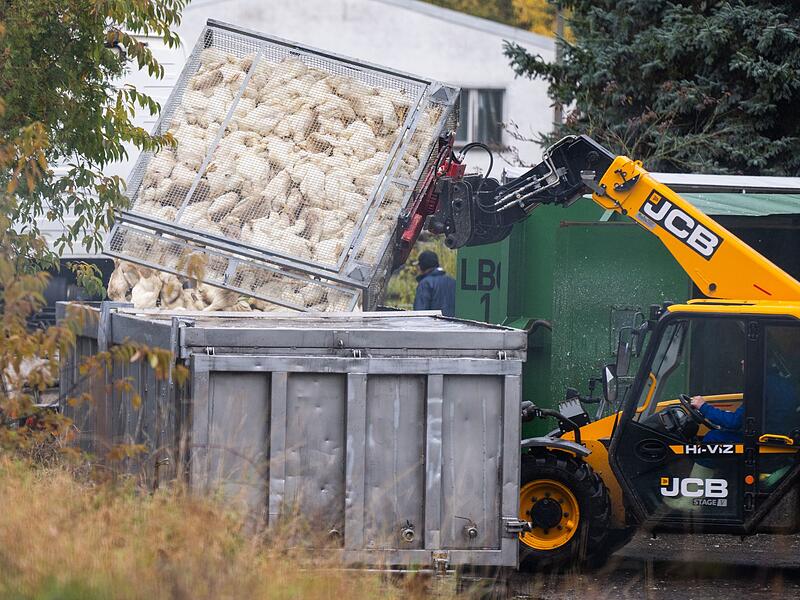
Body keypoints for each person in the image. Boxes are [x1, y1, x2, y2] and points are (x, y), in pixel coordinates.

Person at [413, 250, 456, 317]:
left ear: (422, 266)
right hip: (454, 326)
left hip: (433, 326)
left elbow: (420, 313)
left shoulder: (425, 283)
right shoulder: (453, 282)